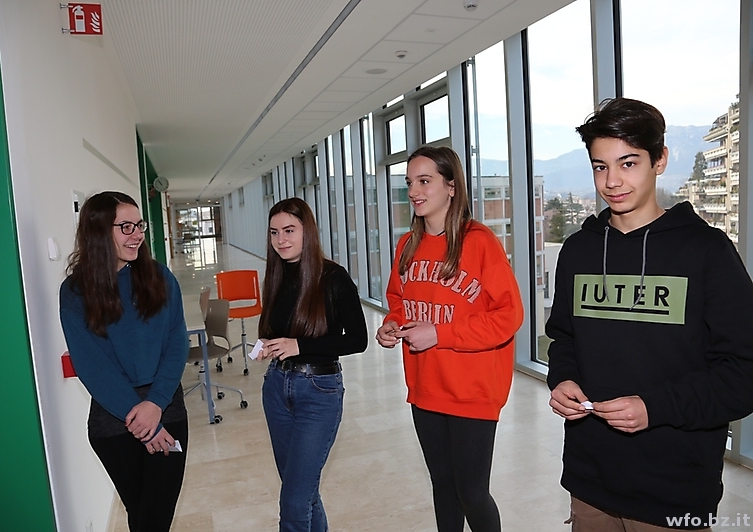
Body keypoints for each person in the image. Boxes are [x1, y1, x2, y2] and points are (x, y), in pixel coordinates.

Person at [546, 97, 753, 531]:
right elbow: (564, 337)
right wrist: (562, 378)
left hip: (675, 486)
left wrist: (654, 408)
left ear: (660, 160)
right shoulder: (579, 250)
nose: (612, 181)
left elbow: (743, 375)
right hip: (590, 478)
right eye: (600, 166)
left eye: (628, 163)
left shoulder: (707, 252)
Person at [375, 146, 523, 532]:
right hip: (425, 386)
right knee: (443, 486)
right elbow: (399, 300)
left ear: (451, 187)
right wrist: (393, 323)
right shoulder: (407, 245)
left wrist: (440, 333)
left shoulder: (480, 242)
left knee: (472, 492)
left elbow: (509, 316)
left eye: (425, 181)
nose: (414, 191)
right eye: (410, 182)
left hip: (472, 390)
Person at [59, 191, 189, 532]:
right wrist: (142, 418)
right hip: (113, 417)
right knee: (142, 515)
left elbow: (177, 342)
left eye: (139, 225)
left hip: (166, 407)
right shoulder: (75, 292)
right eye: (126, 227)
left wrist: (155, 404)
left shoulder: (159, 277)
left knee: (155, 517)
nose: (137, 234)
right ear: (99, 231)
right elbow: (92, 365)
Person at [256, 197, 368, 532]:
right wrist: (267, 344)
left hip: (318, 392)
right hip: (276, 388)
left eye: (289, 230)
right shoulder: (277, 275)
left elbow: (358, 339)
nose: (281, 240)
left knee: (293, 502)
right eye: (274, 232)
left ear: (308, 231)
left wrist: (299, 346)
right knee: (302, 491)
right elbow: (277, 329)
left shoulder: (333, 277)